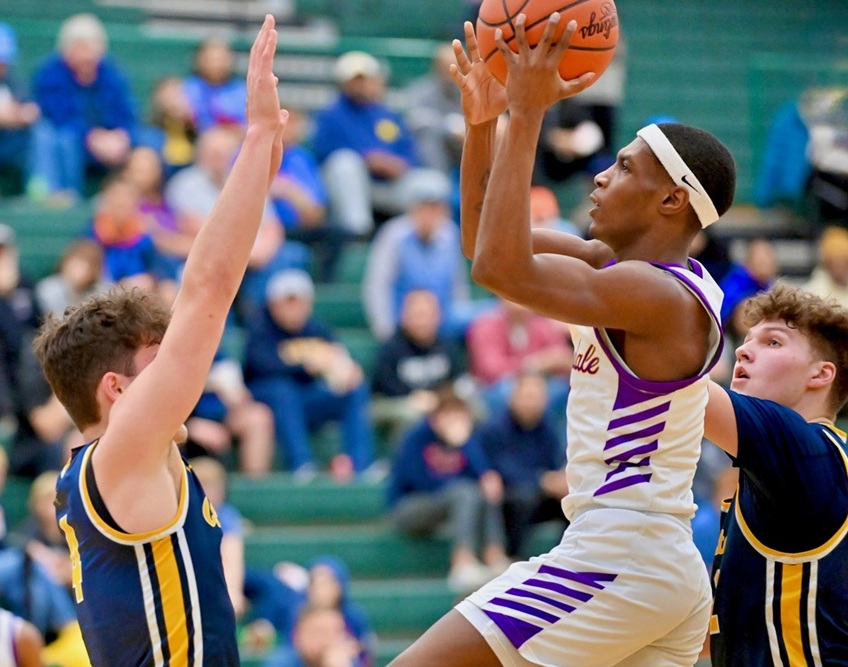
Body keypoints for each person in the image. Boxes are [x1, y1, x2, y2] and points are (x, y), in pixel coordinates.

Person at [388, 14, 736, 667]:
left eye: (624, 167)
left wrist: (529, 115)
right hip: (649, 562)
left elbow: (499, 266)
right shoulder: (615, 264)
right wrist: (484, 122)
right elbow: (482, 243)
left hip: (618, 558)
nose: (601, 176)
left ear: (670, 201)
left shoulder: (657, 295)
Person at [35, 16, 287, 666]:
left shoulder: (113, 466)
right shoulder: (119, 454)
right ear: (116, 389)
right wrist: (254, 137)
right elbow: (207, 288)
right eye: (159, 359)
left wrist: (262, 159)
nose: (181, 366)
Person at [702, 283, 848, 666]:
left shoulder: (805, 451)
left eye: (773, 343)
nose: (742, 349)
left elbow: (675, 388)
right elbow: (728, 629)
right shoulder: (788, 469)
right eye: (747, 338)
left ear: (821, 374)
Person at [244, 269, 376, 480]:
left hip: (307, 400)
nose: (294, 309)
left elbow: (340, 359)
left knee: (355, 390)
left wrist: (348, 371)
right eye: (288, 302)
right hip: (270, 400)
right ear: (273, 304)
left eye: (299, 302)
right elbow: (260, 366)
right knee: (282, 390)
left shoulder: (316, 329)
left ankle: (361, 464)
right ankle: (301, 464)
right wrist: (305, 365)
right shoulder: (260, 329)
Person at [386, 387, 508, 593]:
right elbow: (418, 481)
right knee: (465, 491)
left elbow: (484, 475)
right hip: (408, 507)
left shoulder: (468, 440)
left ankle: (494, 555)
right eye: (449, 416)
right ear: (435, 418)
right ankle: (462, 562)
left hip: (450, 501)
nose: (455, 422)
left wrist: (465, 443)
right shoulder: (415, 437)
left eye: (460, 416)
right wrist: (457, 484)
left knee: (485, 487)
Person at [27, 13, 138, 201]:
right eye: (80, 47)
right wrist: (91, 137)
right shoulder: (50, 73)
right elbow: (58, 114)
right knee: (58, 137)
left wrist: (122, 135)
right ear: (66, 49)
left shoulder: (112, 73)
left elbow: (126, 112)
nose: (87, 54)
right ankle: (64, 196)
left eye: (92, 47)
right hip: (74, 137)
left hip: (110, 139)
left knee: (148, 141)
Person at [311, 50, 420, 237]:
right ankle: (358, 235)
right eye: (356, 80)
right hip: (351, 183)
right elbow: (323, 151)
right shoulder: (331, 115)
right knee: (344, 164)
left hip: (389, 184)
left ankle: (417, 240)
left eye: (366, 79)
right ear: (344, 83)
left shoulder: (388, 115)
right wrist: (367, 158)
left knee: (432, 184)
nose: (362, 86)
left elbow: (409, 152)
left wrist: (399, 164)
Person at [477, 371, 568, 559]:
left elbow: (555, 462)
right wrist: (542, 480)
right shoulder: (495, 428)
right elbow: (502, 468)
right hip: (507, 498)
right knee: (524, 497)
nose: (532, 403)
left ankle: (563, 557)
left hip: (541, 495)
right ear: (513, 397)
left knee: (572, 501)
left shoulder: (547, 428)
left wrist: (559, 480)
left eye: (537, 397)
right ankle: (512, 554)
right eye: (527, 397)